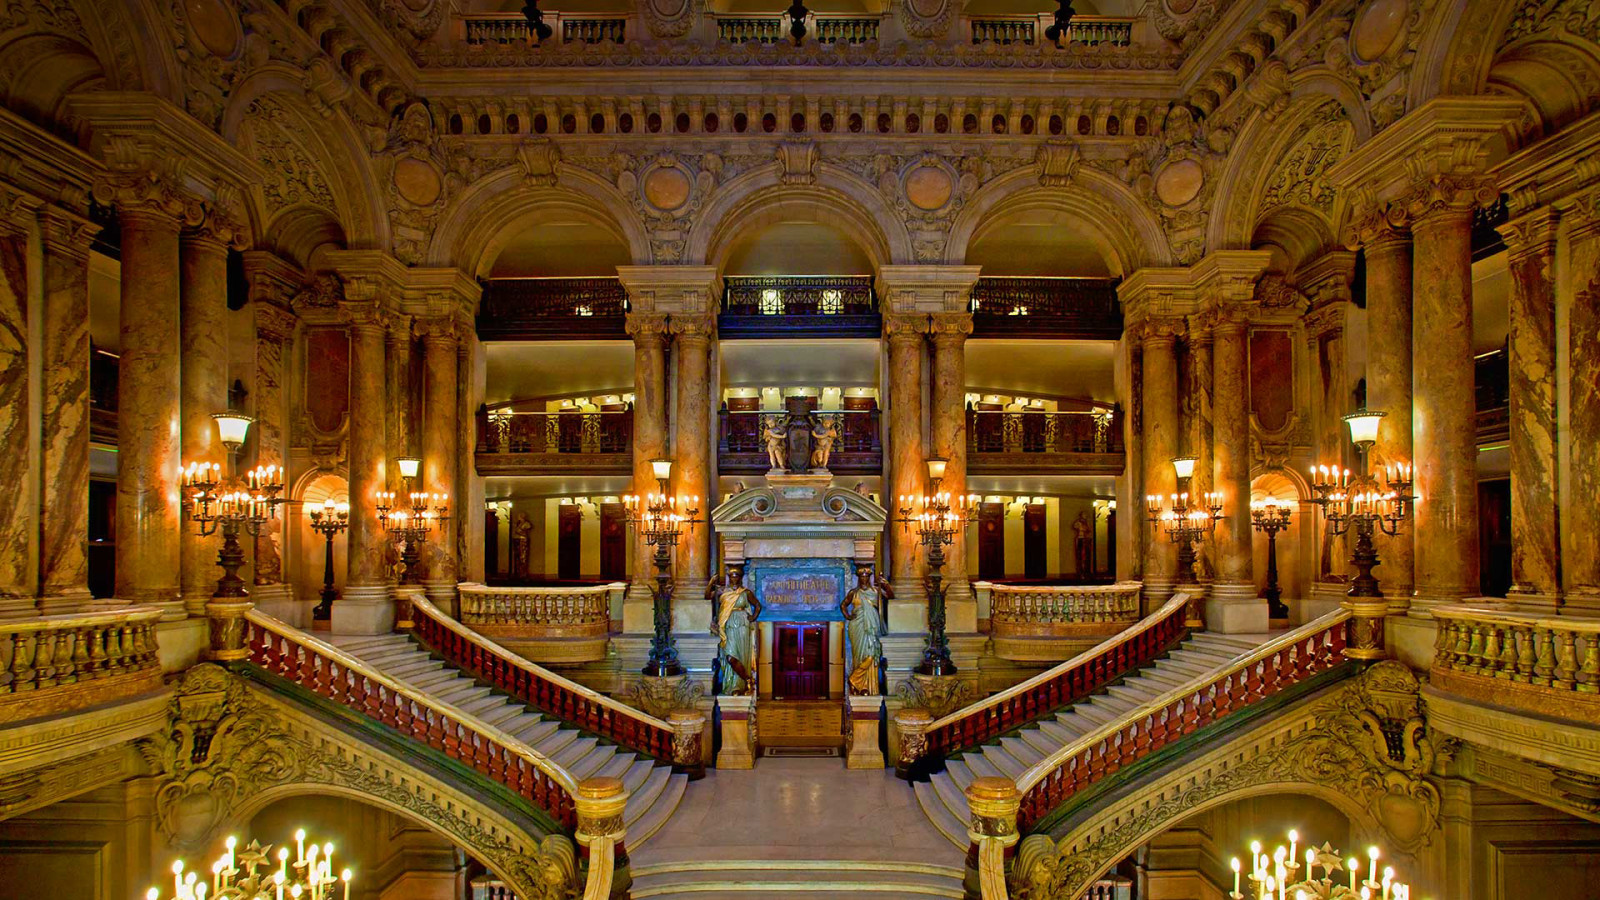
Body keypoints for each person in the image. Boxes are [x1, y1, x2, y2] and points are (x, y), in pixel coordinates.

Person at [708, 565, 761, 695]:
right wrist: (710, 583)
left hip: (742, 626)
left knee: (742, 655)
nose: (734, 579)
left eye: (737, 576)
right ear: (729, 577)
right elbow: (707, 595)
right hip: (727, 624)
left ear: (741, 578)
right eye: (732, 576)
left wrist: (753, 617)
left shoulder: (745, 592)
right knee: (730, 657)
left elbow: (758, 606)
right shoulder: (724, 592)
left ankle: (738, 686)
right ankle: (747, 679)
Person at [840, 564, 891, 695]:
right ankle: (862, 687)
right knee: (859, 656)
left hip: (872, 627)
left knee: (872, 655)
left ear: (869, 577)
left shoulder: (875, 591)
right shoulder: (854, 593)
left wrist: (886, 586)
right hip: (857, 626)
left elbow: (890, 596)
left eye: (866, 577)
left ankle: (855, 679)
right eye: (862, 577)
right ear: (858, 578)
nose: (864, 579)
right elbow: (843, 605)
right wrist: (848, 616)